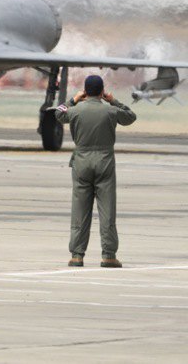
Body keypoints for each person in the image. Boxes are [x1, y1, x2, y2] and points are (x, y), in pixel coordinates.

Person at [55, 74, 137, 268]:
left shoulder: (75, 111)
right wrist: (113, 100)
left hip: (81, 162)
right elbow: (131, 116)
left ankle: (77, 255)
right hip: (105, 162)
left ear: (85, 91)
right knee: (107, 210)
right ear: (102, 91)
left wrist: (73, 99)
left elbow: (58, 114)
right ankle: (108, 255)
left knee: (80, 210)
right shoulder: (110, 111)